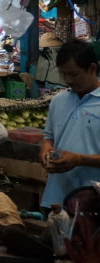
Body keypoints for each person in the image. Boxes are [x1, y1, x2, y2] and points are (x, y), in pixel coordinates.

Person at [39, 40, 100, 208]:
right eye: (63, 74)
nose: (67, 80)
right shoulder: (58, 101)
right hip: (57, 198)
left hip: (93, 202)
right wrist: (45, 149)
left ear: (92, 68)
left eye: (73, 74)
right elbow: (48, 137)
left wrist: (79, 159)